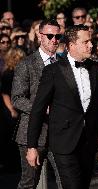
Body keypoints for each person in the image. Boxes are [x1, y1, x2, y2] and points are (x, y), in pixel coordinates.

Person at [26, 24, 98, 189]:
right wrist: (32, 146)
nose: (91, 45)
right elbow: (38, 109)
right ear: (71, 45)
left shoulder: (97, 71)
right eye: (86, 42)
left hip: (88, 143)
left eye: (90, 41)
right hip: (64, 143)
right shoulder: (53, 71)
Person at [11, 19, 62, 189]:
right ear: (41, 36)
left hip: (59, 134)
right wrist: (41, 108)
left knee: (68, 181)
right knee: (29, 183)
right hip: (31, 134)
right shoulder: (26, 64)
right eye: (50, 36)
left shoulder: (64, 64)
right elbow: (17, 98)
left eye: (57, 36)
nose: (54, 40)